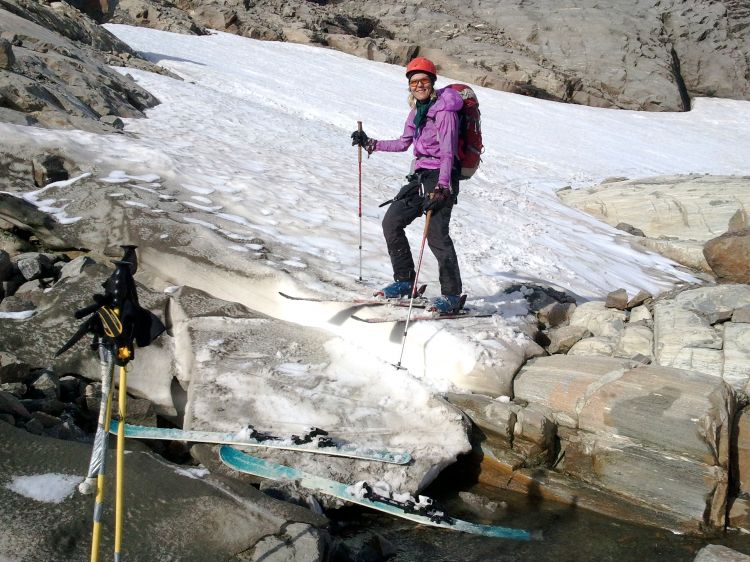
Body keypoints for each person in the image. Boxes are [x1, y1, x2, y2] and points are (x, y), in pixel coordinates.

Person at [351, 57, 464, 314]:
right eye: (414, 82)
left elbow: (448, 152)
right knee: (392, 222)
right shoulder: (417, 111)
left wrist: (443, 187)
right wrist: (371, 143)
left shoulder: (445, 111)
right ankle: (405, 281)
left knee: (436, 236)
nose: (419, 86)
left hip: (442, 176)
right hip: (420, 175)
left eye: (424, 81)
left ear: (432, 82)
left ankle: (451, 296)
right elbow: (404, 143)